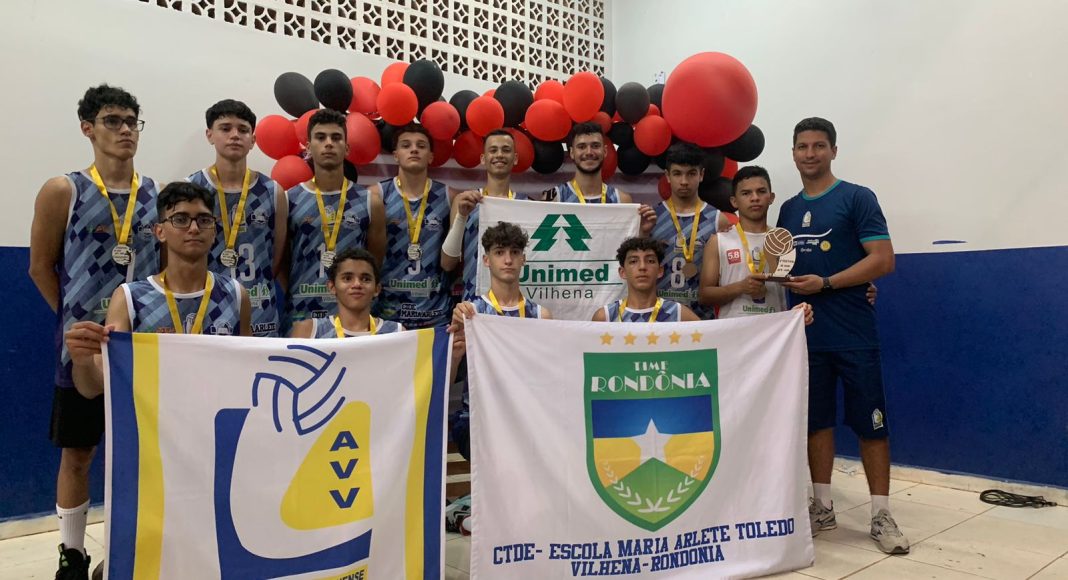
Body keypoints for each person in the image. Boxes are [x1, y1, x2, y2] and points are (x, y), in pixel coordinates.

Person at [28, 84, 162, 579]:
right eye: (112, 121)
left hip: (142, 348)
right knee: (79, 453)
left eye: (131, 121)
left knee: (143, 455)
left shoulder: (155, 195)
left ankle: (138, 545)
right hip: (83, 350)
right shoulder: (63, 190)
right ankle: (72, 553)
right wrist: (73, 320)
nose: (125, 130)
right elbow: (40, 266)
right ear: (87, 128)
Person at [776, 117, 906, 554]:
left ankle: (881, 514)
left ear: (833, 150)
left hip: (854, 335)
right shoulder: (787, 211)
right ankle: (822, 507)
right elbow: (783, 272)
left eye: (819, 146)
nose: (810, 154)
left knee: (872, 426)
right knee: (816, 423)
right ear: (793, 153)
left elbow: (883, 259)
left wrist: (829, 284)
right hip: (807, 337)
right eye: (802, 146)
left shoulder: (857, 197)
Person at [63, 181, 251, 392]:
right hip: (153, 412)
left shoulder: (235, 294)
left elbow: (247, 369)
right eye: (180, 219)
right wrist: (83, 362)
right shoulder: (130, 298)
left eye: (204, 220)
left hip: (216, 410)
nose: (194, 228)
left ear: (214, 231)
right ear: (160, 232)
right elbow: (94, 388)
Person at [446, 221, 552, 534]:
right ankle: (474, 508)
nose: (508, 259)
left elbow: (549, 376)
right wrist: (456, 352)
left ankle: (471, 508)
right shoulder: (470, 313)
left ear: (523, 259)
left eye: (515, 252)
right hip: (480, 420)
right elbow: (447, 381)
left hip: (524, 417)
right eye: (499, 252)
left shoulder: (541, 315)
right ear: (486, 260)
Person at [188, 99, 286, 337]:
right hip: (207, 306)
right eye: (225, 128)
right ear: (210, 135)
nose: (234, 135)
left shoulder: (272, 191)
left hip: (260, 309)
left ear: (253, 140)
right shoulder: (192, 188)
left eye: (243, 130)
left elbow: (276, 257)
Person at [285, 109, 385, 330]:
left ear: (346, 148)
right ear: (308, 147)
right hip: (301, 313)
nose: (328, 143)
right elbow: (282, 261)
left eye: (336, 137)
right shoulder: (290, 199)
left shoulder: (369, 201)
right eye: (320, 137)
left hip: (351, 316)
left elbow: (375, 260)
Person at [369, 123, 455, 329]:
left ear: (431, 156)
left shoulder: (449, 196)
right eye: (406, 145)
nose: (414, 149)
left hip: (434, 314)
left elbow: (454, 260)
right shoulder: (376, 194)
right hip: (388, 313)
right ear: (396, 155)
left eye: (421, 146)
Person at [440, 129, 526, 302]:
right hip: (474, 301)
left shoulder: (526, 204)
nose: (499, 155)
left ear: (515, 158)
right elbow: (447, 263)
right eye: (493, 150)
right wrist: (461, 217)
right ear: (483, 158)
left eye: (506, 150)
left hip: (515, 303)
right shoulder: (465, 201)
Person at [651, 143, 729, 319]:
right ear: (667, 176)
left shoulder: (718, 219)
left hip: (702, 317)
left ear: (701, 175)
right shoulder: (652, 217)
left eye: (691, 173)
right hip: (660, 317)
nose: (684, 181)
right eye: (677, 173)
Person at [698, 165, 788, 318]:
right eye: (746, 193)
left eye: (761, 191)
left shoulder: (782, 241)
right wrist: (740, 287)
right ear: (734, 201)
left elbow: (794, 287)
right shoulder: (718, 241)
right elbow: (704, 296)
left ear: (771, 197)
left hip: (775, 329)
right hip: (735, 330)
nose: (755, 198)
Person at [545, 122, 656, 235]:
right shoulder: (554, 197)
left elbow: (628, 244)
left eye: (595, 146)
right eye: (582, 147)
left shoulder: (622, 200)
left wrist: (642, 232)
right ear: (572, 153)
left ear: (605, 151)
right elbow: (542, 243)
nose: (589, 152)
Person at [289, 247, 402, 338]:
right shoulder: (308, 331)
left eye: (366, 279)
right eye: (347, 278)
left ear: (377, 289)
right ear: (332, 287)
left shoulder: (396, 332)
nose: (357, 284)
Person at [592, 237, 701, 322]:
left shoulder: (679, 313)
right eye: (633, 261)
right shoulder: (605, 317)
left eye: (650, 261)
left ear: (660, 271)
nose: (642, 267)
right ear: (622, 272)